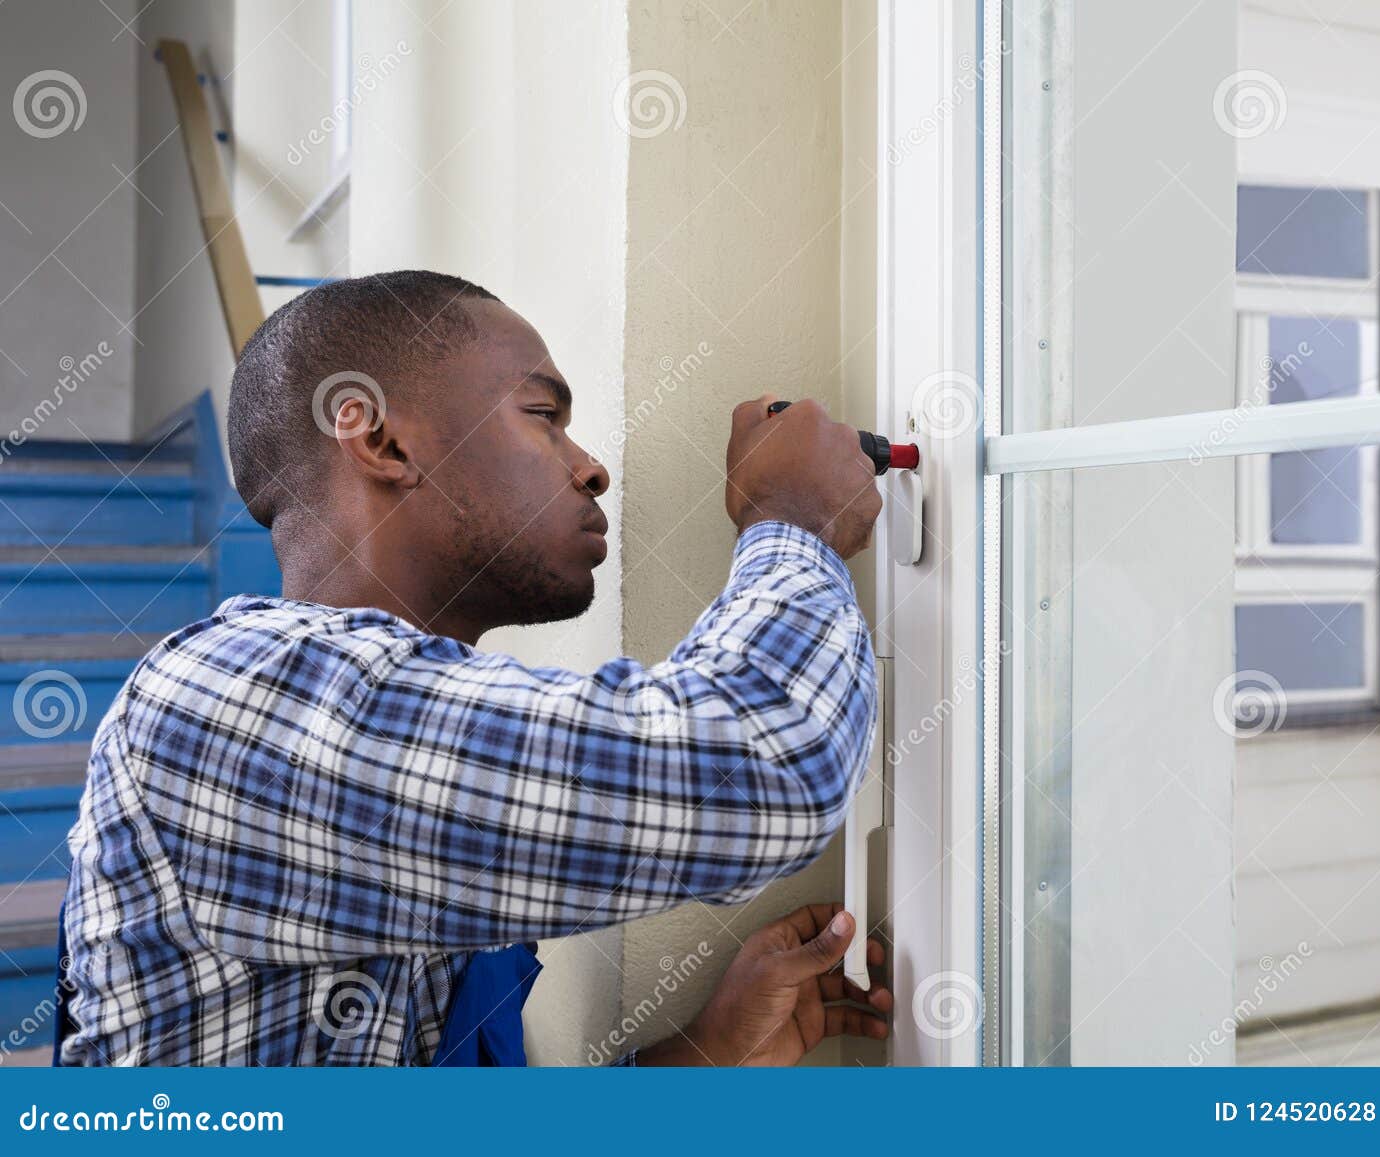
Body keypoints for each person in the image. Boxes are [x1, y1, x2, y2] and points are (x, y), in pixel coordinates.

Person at [57, 270, 889, 1066]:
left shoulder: (406, 741)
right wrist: (792, 520)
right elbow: (767, 767)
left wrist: (700, 1058)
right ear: (381, 439)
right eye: (543, 414)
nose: (590, 466)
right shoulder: (226, 703)